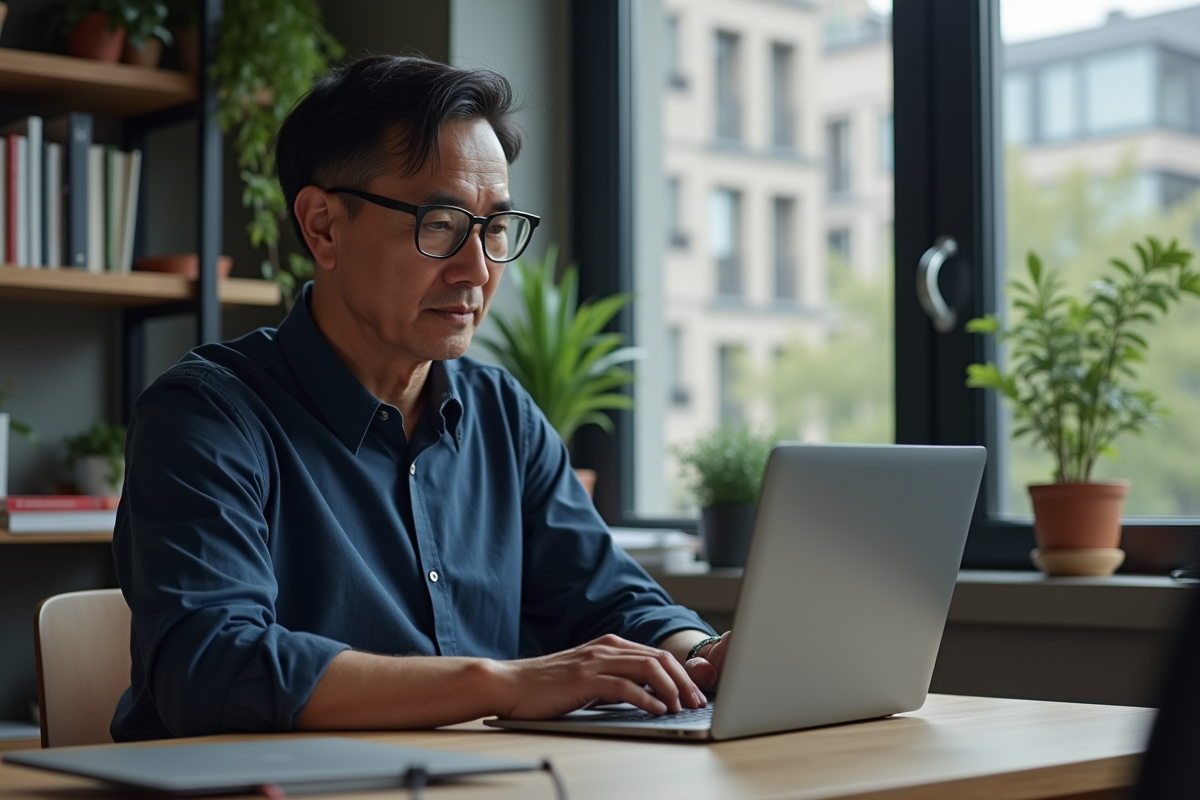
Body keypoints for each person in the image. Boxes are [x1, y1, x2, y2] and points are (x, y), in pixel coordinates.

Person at [110, 55, 729, 741]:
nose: (478, 268)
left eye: (495, 227)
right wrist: (503, 683)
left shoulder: (501, 415)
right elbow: (214, 668)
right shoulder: (205, 418)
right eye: (439, 223)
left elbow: (608, 597)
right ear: (322, 226)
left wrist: (698, 658)